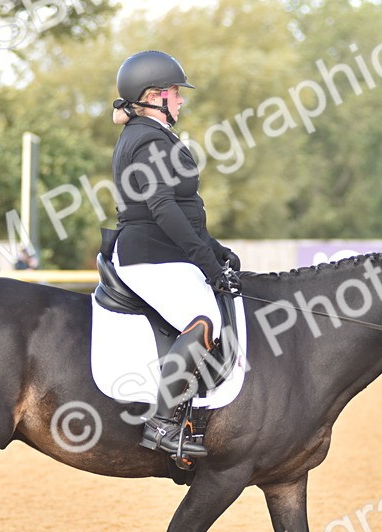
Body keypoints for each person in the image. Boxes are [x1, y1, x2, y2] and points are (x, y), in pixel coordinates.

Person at [109, 50, 242, 459]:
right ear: (154, 96)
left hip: (161, 252)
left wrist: (216, 251)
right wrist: (205, 263)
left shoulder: (152, 134)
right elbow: (162, 208)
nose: (182, 100)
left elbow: (186, 210)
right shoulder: (148, 138)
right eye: (176, 93)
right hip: (150, 255)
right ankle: (162, 422)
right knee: (204, 321)